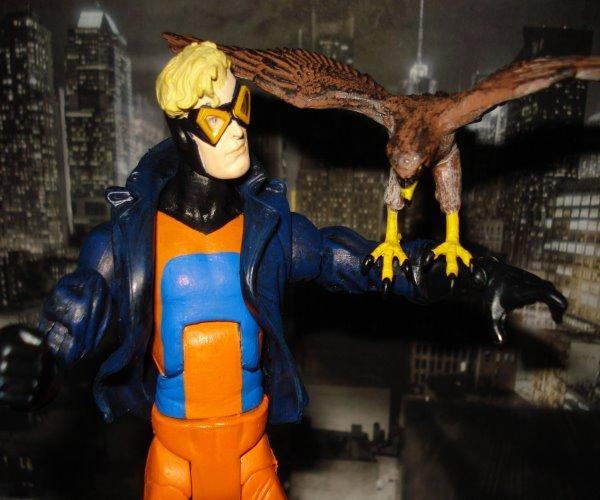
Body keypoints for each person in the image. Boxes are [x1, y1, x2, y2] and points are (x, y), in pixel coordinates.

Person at [0, 42, 567, 499]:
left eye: (240, 108)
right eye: (217, 118)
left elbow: (360, 262)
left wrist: (474, 274)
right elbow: (72, 322)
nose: (238, 129)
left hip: (253, 456)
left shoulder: (269, 233)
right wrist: (36, 364)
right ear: (181, 131)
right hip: (173, 460)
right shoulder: (126, 243)